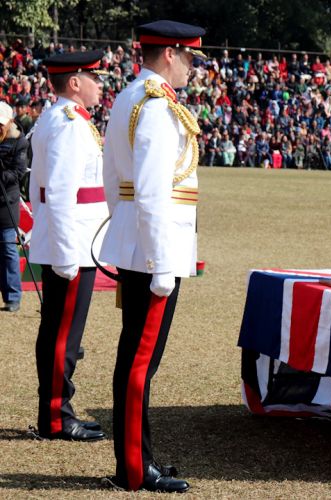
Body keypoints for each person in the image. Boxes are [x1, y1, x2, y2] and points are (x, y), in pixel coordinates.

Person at [100, 20, 206, 493]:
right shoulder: (157, 105)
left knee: (135, 359)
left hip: (138, 242)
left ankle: (136, 459)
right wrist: (163, 262)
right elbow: (151, 189)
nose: (192, 67)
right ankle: (135, 469)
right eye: (189, 58)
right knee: (141, 363)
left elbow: (113, 183)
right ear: (169, 53)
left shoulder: (129, 96)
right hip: (153, 252)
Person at [29, 50, 110, 442]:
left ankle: (59, 410)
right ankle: (57, 417)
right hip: (73, 245)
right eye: (94, 79)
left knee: (62, 333)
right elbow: (59, 193)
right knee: (63, 335)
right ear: (74, 83)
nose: (100, 86)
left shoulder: (62, 120)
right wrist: (64, 253)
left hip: (76, 241)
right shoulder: (67, 125)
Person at [0, 101, 27, 313]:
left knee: (8, 249)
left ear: (9, 122)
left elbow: (17, 173)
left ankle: (13, 296)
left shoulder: (19, 142)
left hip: (6, 204)